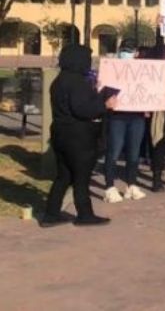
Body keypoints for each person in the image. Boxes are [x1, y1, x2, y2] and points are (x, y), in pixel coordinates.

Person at [42, 44, 119, 227]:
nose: (89, 63)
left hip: (60, 132)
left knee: (64, 176)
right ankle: (85, 215)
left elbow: (76, 105)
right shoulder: (77, 82)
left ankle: (51, 214)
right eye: (87, 59)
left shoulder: (59, 80)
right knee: (81, 177)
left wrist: (98, 95)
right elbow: (84, 110)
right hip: (78, 136)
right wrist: (105, 105)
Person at [102, 39, 148, 204]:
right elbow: (103, 92)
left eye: (130, 50)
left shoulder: (143, 70)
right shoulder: (111, 69)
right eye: (124, 50)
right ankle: (109, 187)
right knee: (113, 151)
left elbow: (149, 88)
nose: (127, 53)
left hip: (136, 116)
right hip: (117, 117)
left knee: (134, 153)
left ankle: (132, 184)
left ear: (136, 53)